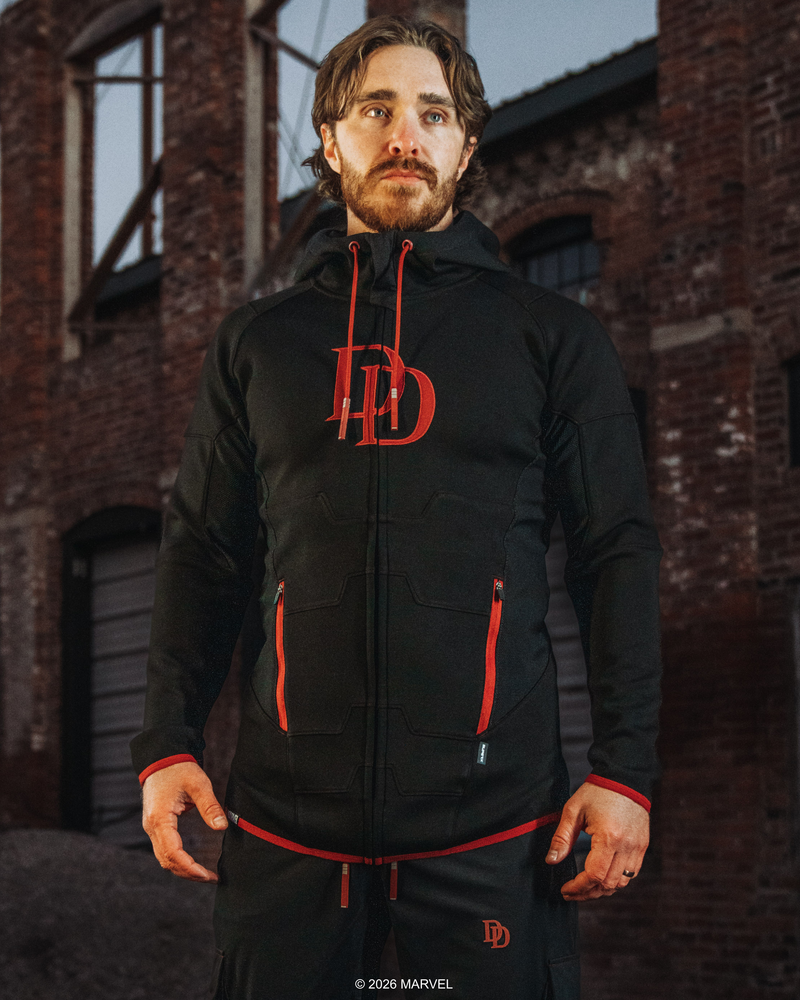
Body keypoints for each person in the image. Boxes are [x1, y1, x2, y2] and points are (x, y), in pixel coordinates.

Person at [131, 15, 663, 1000]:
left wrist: (624, 767)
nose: (405, 135)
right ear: (331, 141)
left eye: (433, 113)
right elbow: (203, 551)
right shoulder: (258, 344)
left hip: (491, 833)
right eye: (375, 110)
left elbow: (616, 552)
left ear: (466, 144)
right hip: (286, 835)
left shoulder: (550, 337)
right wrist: (165, 740)